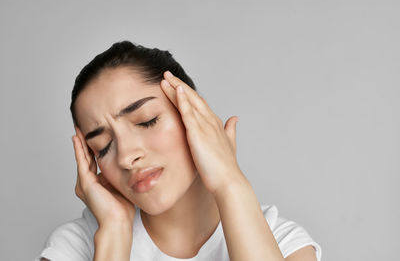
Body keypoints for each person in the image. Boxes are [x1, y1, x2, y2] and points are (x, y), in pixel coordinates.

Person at [35, 41, 322, 261]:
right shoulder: (76, 246)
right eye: (103, 147)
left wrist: (230, 182)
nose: (125, 157)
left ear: (195, 115)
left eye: (147, 121)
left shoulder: (282, 243)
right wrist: (114, 232)